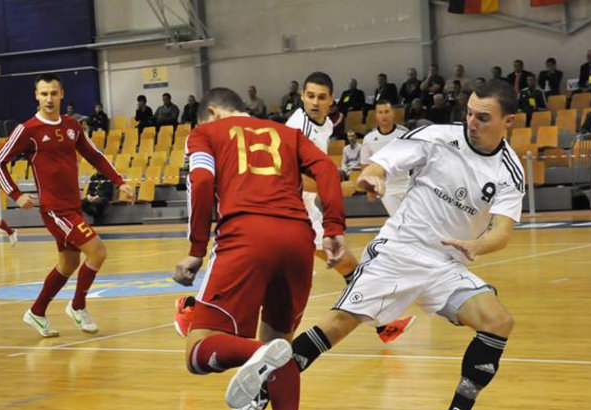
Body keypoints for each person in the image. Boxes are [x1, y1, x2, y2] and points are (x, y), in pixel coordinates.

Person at [230, 80, 526, 410]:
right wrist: (374, 174)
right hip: (398, 252)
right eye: (469, 112)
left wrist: (476, 246)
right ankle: (256, 398)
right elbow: (382, 162)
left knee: (498, 321)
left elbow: (502, 232)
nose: (471, 122)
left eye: (483, 117)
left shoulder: (509, 170)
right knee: (334, 328)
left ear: (510, 121)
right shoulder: (436, 137)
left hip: (447, 262)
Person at [173, 86, 346, 410]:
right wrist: (333, 227)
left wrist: (197, 249)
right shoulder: (288, 134)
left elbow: (200, 182)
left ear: (212, 113)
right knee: (281, 354)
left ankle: (260, 353)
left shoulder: (205, 134)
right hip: (298, 241)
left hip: (245, 237)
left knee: (197, 349)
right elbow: (327, 171)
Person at [175, 74, 414, 343]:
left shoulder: (322, 126)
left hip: (298, 214)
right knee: (333, 266)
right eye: (310, 96)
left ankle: (381, 322)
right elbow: (295, 178)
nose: (315, 102)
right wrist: (348, 187)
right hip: (288, 210)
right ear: (301, 97)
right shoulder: (296, 127)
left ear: (331, 102)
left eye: (321, 97)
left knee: (339, 265)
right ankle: (196, 312)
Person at [0, 73, 134, 337]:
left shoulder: (72, 126)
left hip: (73, 206)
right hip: (55, 210)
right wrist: (15, 194)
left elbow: (94, 155)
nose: (49, 98)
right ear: (36, 96)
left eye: (53, 93)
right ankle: (78, 306)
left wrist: (118, 180)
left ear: (62, 94)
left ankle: (36, 312)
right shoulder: (27, 130)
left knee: (68, 264)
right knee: (98, 252)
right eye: (44, 93)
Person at [360, 100, 409, 216]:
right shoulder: (369, 138)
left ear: (392, 113)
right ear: (376, 116)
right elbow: (365, 165)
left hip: (407, 184)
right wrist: (370, 188)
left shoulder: (404, 134)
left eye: (387, 112)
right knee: (397, 219)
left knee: (411, 220)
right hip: (387, 188)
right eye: (380, 112)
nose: (384, 115)